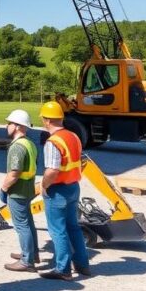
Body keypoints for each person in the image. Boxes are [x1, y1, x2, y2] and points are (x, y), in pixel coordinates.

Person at [38, 101, 91, 280]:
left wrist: (44, 185)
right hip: (73, 187)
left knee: (57, 230)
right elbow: (82, 161)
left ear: (47, 121)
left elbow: (52, 170)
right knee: (73, 227)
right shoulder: (73, 137)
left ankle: (63, 269)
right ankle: (83, 265)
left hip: (58, 190)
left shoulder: (53, 142)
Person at [1, 109, 40, 272]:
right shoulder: (29, 143)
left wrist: (4, 188)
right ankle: (32, 253)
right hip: (28, 188)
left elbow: (14, 173)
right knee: (28, 223)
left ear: (17, 126)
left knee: (21, 225)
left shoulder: (17, 147)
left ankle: (26, 260)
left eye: (9, 123)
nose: (6, 125)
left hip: (18, 191)